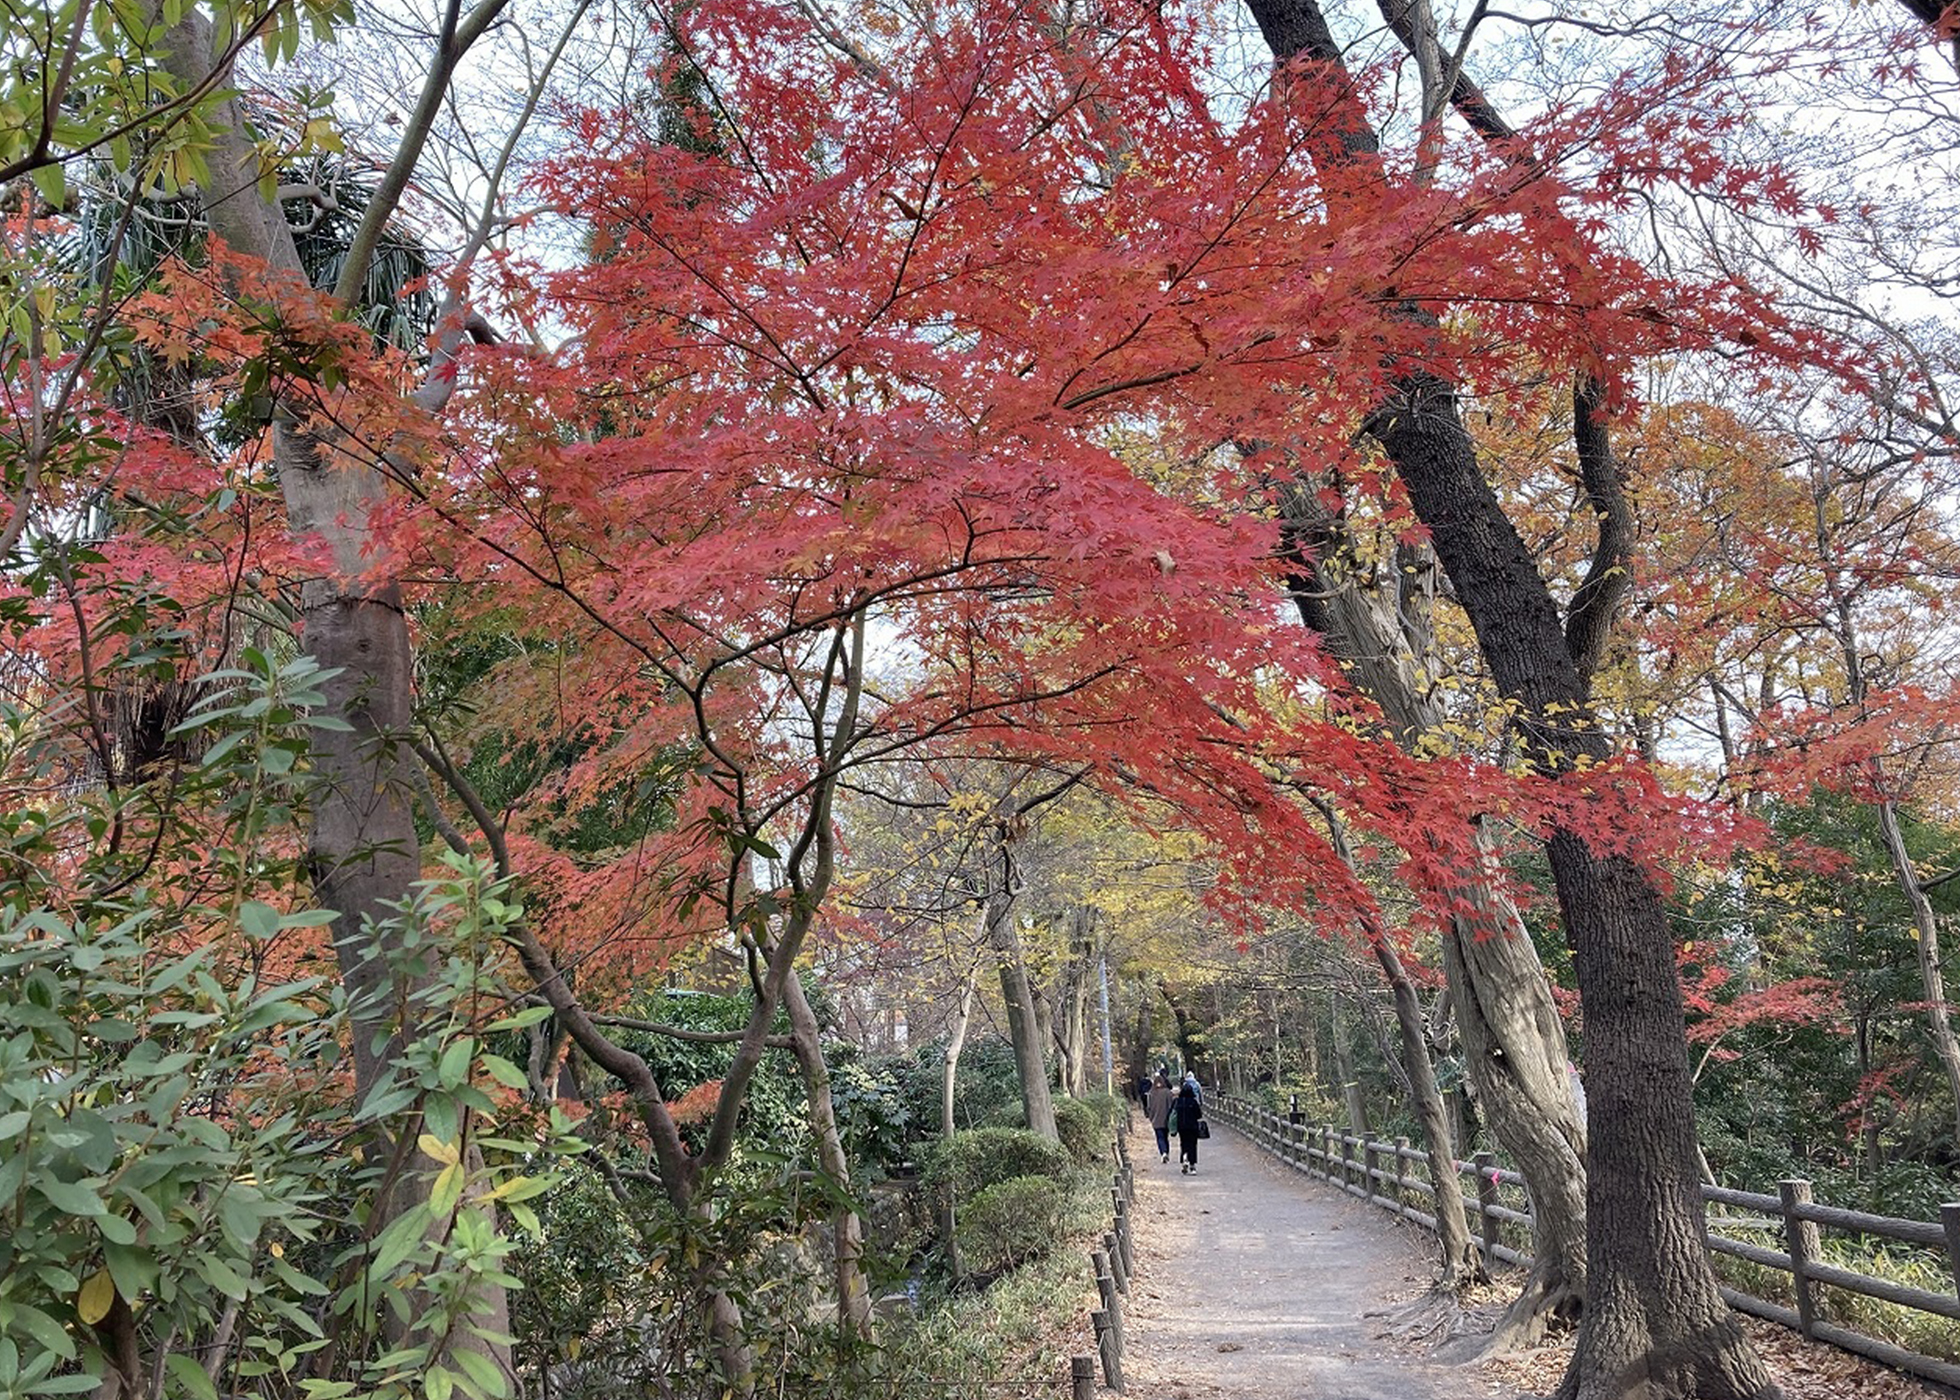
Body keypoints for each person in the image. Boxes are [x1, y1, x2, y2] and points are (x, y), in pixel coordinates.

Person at [1174, 1077, 1204, 1174]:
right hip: (1192, 1126)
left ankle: (1184, 1157)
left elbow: (1174, 1113)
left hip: (1181, 1126)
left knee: (1183, 1143)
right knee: (1192, 1144)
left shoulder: (1178, 1101)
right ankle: (1192, 1165)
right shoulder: (1193, 1102)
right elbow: (1199, 1115)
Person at [1146, 1071, 1175, 1163]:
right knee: (1165, 1137)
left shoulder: (1151, 1093)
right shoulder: (1168, 1093)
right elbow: (1171, 1105)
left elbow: (1149, 1107)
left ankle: (1163, 1152)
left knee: (1159, 1137)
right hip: (1166, 1119)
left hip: (1155, 1119)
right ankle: (1166, 1152)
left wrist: (1150, 1116)